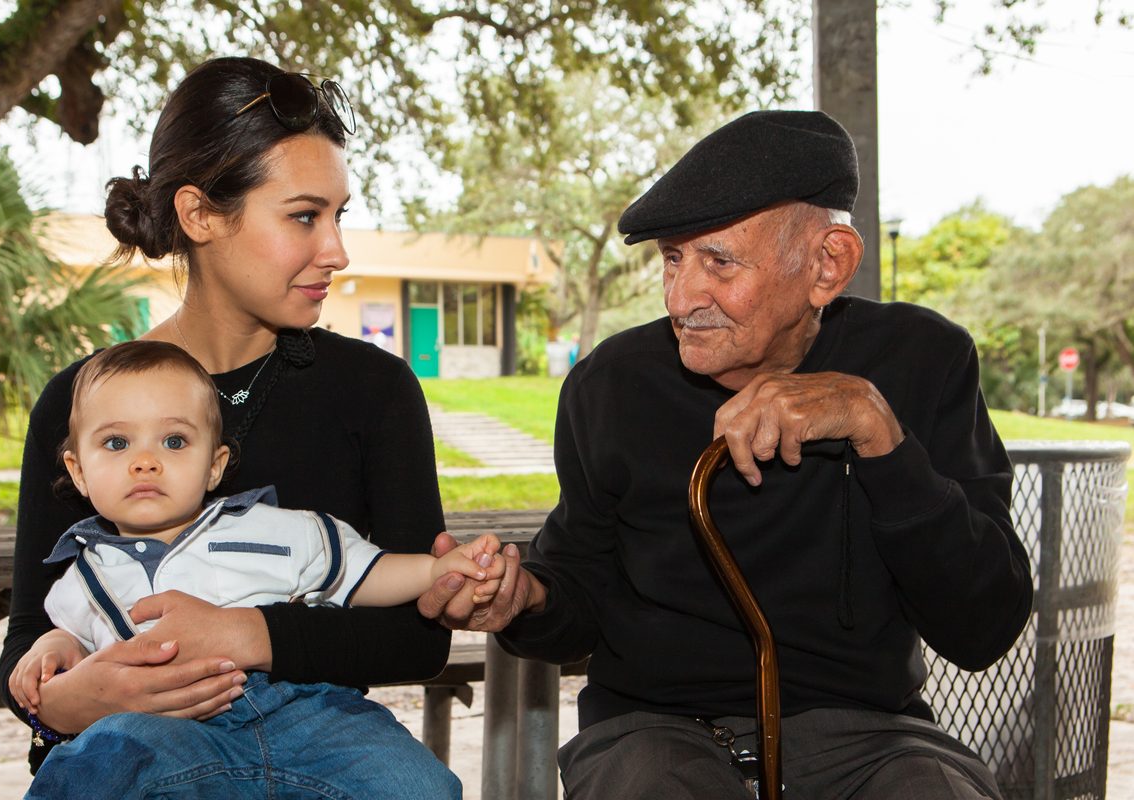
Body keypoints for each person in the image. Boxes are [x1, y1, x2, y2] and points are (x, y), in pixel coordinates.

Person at [418, 110, 1034, 799]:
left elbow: (984, 628)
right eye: (672, 259)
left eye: (719, 262)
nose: (682, 299)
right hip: (654, 731)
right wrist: (523, 599)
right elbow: (580, 590)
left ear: (827, 264)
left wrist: (877, 432)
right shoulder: (613, 385)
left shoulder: (922, 362)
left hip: (867, 736)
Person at [0, 56, 461, 797]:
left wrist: (248, 633)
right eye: (304, 216)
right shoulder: (82, 403)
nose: (337, 251)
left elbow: (416, 636)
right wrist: (66, 704)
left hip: (316, 755)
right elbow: (32, 638)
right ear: (200, 215)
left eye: (339, 216)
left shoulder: (373, 390)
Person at [9, 341, 499, 796]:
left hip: (308, 711)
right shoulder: (82, 575)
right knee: (95, 765)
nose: (145, 461)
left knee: (420, 783)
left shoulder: (274, 528)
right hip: (165, 726)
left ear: (215, 465)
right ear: (78, 472)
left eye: (174, 441)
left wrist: (436, 572)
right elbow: (73, 637)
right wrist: (53, 648)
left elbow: (365, 572)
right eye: (117, 443)